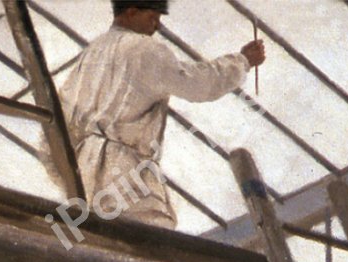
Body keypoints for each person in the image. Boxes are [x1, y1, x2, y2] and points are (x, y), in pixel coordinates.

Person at [59, 0, 266, 228]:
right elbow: (199, 84)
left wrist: (67, 176)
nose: (156, 26)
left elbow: (59, 124)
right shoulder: (143, 49)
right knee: (149, 243)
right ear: (131, 11)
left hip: (84, 174)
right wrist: (242, 61)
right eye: (153, 18)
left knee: (95, 243)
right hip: (125, 171)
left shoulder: (90, 55)